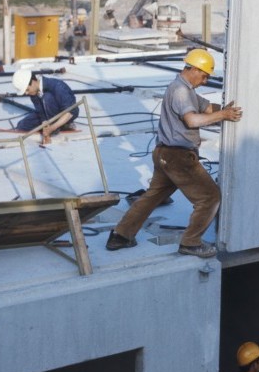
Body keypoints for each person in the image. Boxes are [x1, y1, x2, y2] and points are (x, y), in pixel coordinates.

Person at [104, 48, 242, 258]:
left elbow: (205, 108)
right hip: (178, 157)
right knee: (209, 197)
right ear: (194, 69)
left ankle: (120, 236)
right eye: (204, 75)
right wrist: (224, 115)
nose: (205, 81)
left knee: (152, 197)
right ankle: (191, 243)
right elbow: (192, 120)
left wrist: (224, 108)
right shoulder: (180, 91)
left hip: (164, 155)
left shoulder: (186, 90)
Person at [9, 66, 77, 144]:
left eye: (27, 90)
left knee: (47, 97)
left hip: (66, 115)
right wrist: (44, 123)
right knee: (22, 125)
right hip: (48, 114)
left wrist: (52, 128)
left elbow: (70, 111)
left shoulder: (57, 86)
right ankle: (55, 126)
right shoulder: (33, 93)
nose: (27, 93)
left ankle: (60, 126)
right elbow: (41, 111)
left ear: (33, 81)